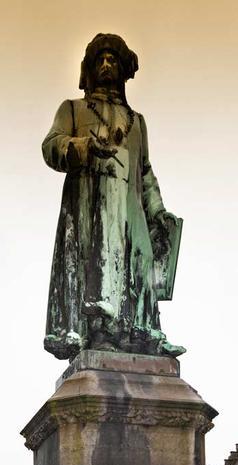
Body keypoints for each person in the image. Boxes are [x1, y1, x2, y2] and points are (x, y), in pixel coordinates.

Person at [41, 33, 184, 359]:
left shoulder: (137, 123)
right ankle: (100, 331)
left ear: (122, 70)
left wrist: (158, 211)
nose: (107, 65)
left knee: (141, 262)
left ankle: (145, 333)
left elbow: (145, 173)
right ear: (90, 69)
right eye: (100, 60)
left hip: (131, 206)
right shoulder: (73, 110)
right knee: (99, 265)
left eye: (113, 60)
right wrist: (82, 147)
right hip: (92, 201)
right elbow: (51, 145)